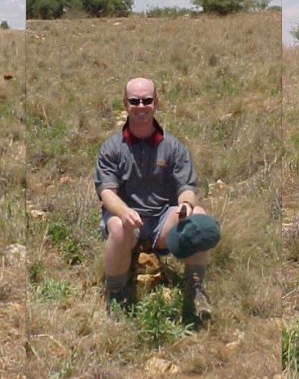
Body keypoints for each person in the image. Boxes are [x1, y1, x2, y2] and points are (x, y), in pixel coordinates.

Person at [94, 77, 220, 319]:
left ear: (156, 103)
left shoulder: (174, 147)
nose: (141, 106)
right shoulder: (111, 148)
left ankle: (195, 289)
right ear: (125, 104)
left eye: (147, 100)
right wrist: (123, 212)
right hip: (129, 223)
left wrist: (185, 205)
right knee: (119, 227)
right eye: (134, 101)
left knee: (199, 217)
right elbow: (106, 192)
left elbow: (187, 187)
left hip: (163, 222)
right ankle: (116, 293)